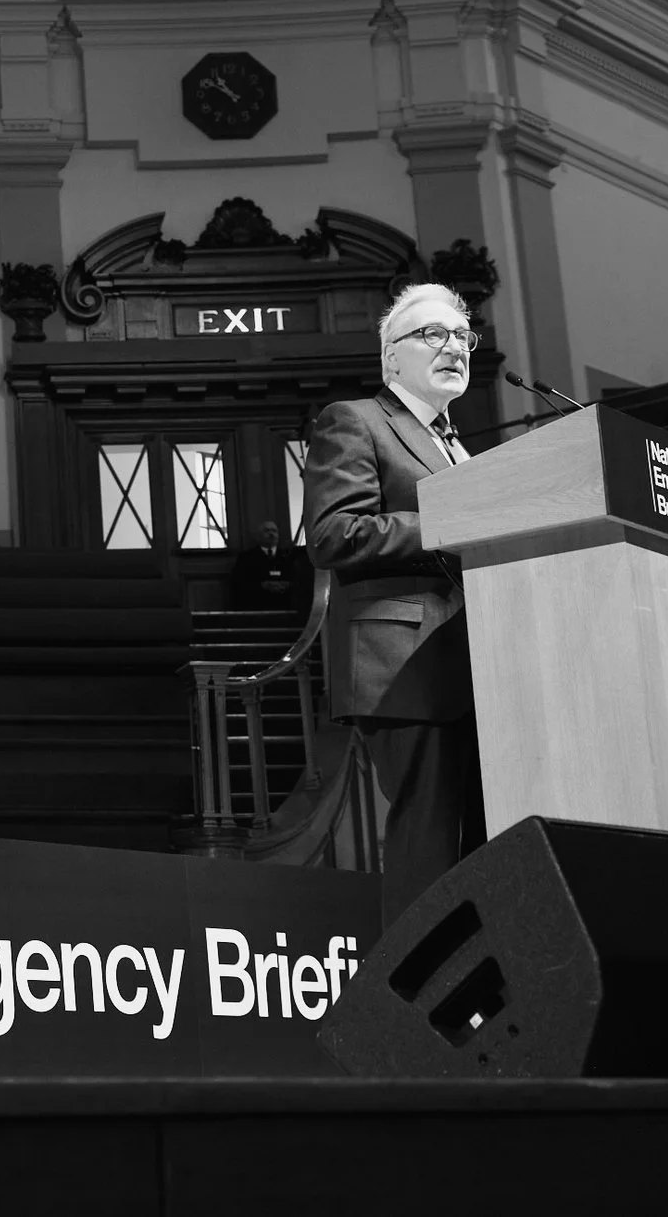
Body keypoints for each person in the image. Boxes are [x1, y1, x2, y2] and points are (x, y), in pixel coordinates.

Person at [303, 281, 484, 925]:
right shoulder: (355, 420)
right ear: (391, 357)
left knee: (484, 843)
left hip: (475, 662)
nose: (453, 347)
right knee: (429, 841)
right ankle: (417, 981)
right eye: (433, 334)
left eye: (461, 336)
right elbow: (333, 535)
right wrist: (448, 522)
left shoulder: (458, 446)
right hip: (404, 659)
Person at [228, 521, 306, 611]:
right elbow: (239, 583)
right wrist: (262, 586)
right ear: (258, 537)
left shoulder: (288, 557)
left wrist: (287, 585)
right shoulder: (246, 558)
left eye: (274, 531)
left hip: (284, 605)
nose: (271, 534)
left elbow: (297, 581)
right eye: (267, 531)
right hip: (257, 605)